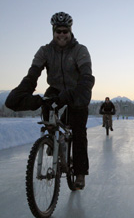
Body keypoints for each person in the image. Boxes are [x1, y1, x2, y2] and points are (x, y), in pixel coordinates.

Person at [5, 12, 95, 189]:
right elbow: (32, 77)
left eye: (65, 31)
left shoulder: (80, 50)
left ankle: (79, 173)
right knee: (47, 104)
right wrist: (19, 95)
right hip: (55, 90)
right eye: (58, 31)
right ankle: (54, 140)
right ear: (53, 32)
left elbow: (86, 77)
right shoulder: (45, 51)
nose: (62, 34)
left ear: (70, 31)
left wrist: (79, 94)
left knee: (78, 132)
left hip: (76, 91)